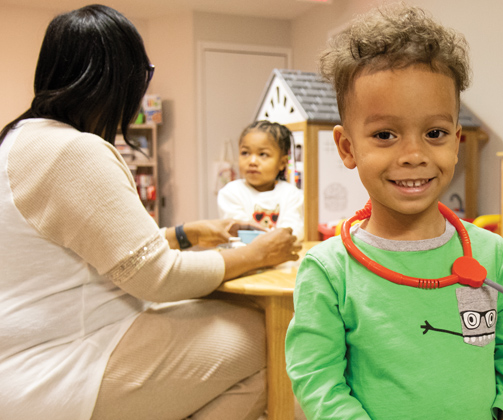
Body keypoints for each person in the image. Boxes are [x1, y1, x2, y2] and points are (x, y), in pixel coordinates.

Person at [0, 5, 300, 420]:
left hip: (23, 363)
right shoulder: (72, 152)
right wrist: (259, 254)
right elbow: (156, 277)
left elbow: (99, 251)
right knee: (270, 332)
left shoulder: (18, 141)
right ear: (124, 78)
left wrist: (184, 234)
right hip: (60, 369)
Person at [284, 4, 503, 420]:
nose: (414, 155)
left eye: (435, 133)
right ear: (347, 148)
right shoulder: (329, 270)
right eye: (384, 135)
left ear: (456, 141)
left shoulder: (491, 255)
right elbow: (317, 378)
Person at [218, 120, 304, 240]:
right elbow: (241, 232)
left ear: (282, 163)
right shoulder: (230, 193)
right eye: (245, 153)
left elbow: (294, 231)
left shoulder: (291, 194)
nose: (252, 161)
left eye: (263, 154)